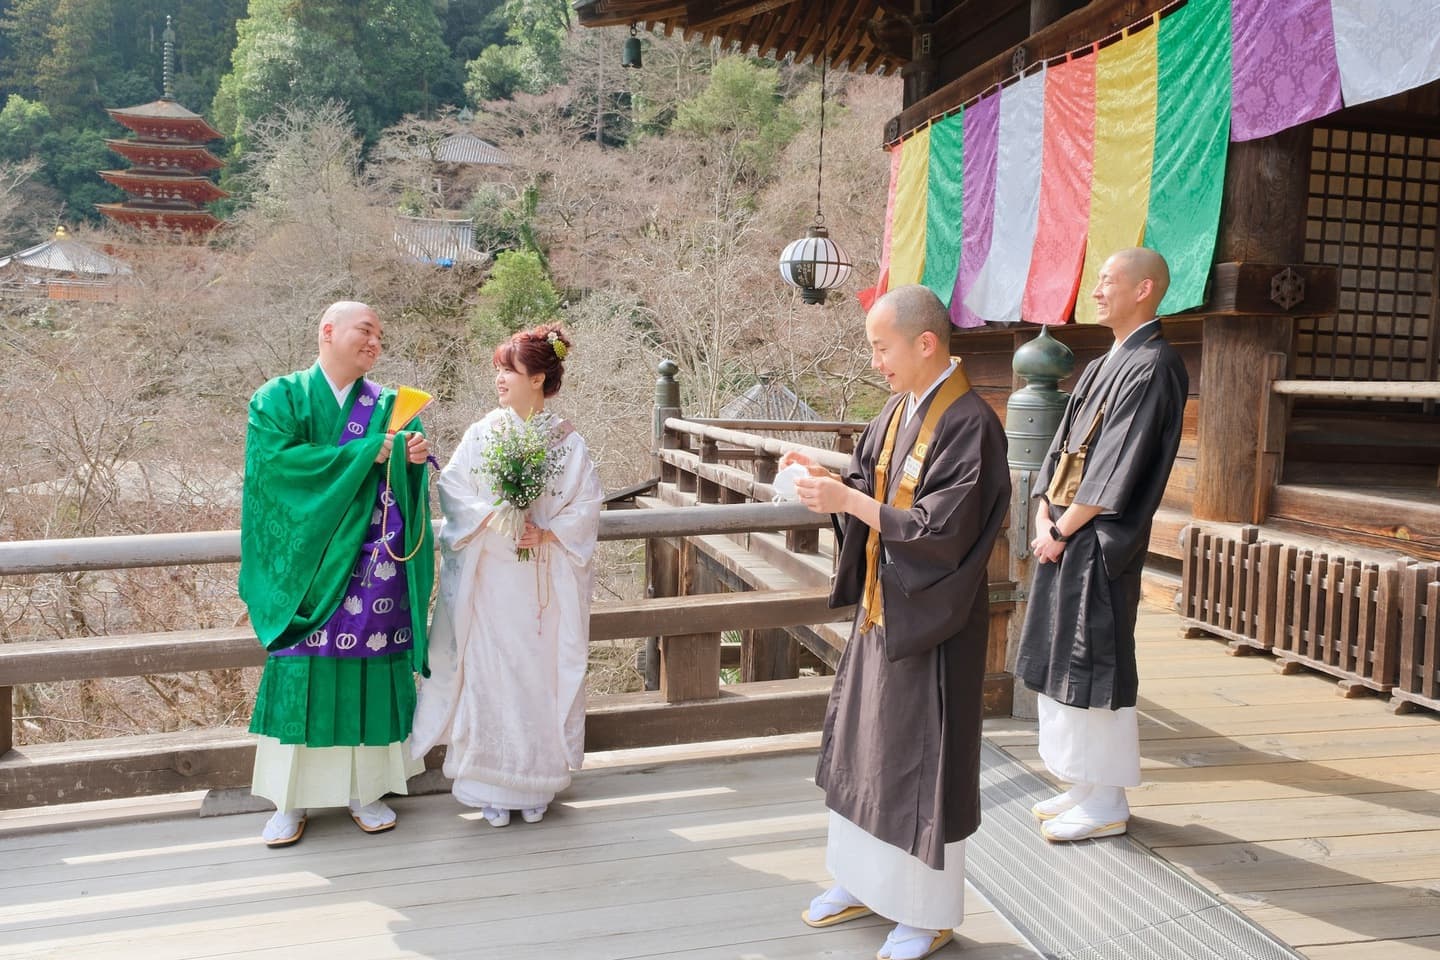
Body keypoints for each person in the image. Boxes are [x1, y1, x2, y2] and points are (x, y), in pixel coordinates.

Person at [782, 285, 1011, 960]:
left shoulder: (971, 424)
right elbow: (862, 484)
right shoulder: (896, 409)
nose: (877, 361)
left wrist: (847, 497)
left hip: (930, 623)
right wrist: (820, 478)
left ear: (925, 343)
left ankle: (925, 911)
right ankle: (857, 880)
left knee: (919, 765)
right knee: (862, 751)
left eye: (882, 348)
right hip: (882, 613)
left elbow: (940, 528)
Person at [240, 300, 435, 848]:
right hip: (309, 571)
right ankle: (289, 800)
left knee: (368, 672)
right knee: (303, 675)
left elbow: (406, 484)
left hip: (374, 568)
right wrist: (371, 451)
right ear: (327, 331)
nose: (375, 342)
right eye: (365, 331)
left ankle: (366, 790)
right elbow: (276, 471)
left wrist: (410, 458)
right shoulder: (278, 399)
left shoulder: (394, 405)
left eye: (379, 335)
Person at [1014, 247, 1189, 842]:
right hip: (1063, 533)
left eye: (1108, 281)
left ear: (1144, 289)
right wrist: (1043, 513)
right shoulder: (1096, 366)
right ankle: (1082, 785)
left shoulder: (1156, 364)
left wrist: (1062, 529)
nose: (1096, 290)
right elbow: (1059, 449)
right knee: (1061, 655)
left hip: (1098, 540)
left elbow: (1120, 464)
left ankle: (1108, 799)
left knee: (1095, 661)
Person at [411, 324, 603, 827]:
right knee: (490, 673)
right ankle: (487, 784)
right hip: (493, 578)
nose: (499, 379)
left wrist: (549, 533)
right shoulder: (483, 432)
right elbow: (452, 487)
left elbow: (586, 504)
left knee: (538, 675)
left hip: (542, 579)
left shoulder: (567, 441)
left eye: (509, 370)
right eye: (498, 369)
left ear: (538, 378)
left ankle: (537, 782)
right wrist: (492, 515)